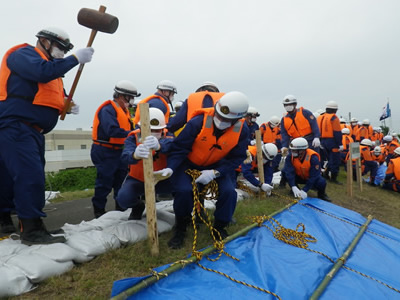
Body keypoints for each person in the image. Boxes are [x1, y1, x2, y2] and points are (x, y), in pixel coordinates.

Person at [0, 27, 94, 245]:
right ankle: (31, 230)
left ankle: (22, 222)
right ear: (44, 41)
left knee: (21, 177)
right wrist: (74, 59)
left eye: (66, 49)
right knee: (29, 177)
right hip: (15, 126)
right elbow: (41, 72)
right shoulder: (23, 55)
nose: (62, 52)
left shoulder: (52, 70)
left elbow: (48, 94)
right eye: (60, 47)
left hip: (32, 131)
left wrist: (66, 105)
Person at [166, 91, 250, 249]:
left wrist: (215, 173)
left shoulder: (242, 130)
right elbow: (179, 148)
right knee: (184, 191)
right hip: (188, 164)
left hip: (216, 167)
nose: (221, 121)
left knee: (229, 193)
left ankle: (219, 226)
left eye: (226, 119)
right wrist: (171, 167)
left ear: (237, 119)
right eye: (219, 115)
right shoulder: (198, 122)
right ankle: (181, 228)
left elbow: (237, 157)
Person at [91, 80, 139, 218]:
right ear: (122, 96)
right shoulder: (108, 109)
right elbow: (112, 131)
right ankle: (99, 210)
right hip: (104, 150)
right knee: (105, 181)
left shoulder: (124, 111)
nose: (132, 101)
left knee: (121, 180)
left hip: (118, 150)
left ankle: (121, 208)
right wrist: (132, 134)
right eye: (131, 97)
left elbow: (129, 128)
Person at [116, 108, 174, 219]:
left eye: (156, 130)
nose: (152, 132)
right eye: (149, 129)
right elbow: (125, 156)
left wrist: (160, 145)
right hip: (139, 179)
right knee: (123, 199)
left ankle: (184, 216)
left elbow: (174, 145)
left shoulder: (168, 136)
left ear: (162, 129)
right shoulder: (133, 137)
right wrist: (134, 155)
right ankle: (138, 206)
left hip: (163, 180)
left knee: (184, 189)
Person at [318, 101, 343, 184]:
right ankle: (333, 178)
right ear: (335, 110)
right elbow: (337, 132)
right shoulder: (334, 118)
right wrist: (340, 144)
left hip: (322, 141)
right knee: (335, 160)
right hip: (332, 141)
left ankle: (325, 173)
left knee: (327, 159)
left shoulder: (320, 117)